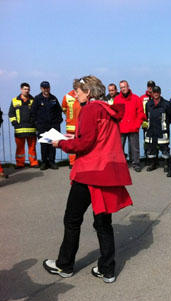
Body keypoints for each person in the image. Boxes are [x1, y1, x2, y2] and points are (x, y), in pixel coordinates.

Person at [43, 75, 132, 283]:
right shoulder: (108, 109)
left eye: (78, 91)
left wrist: (60, 144)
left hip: (90, 171)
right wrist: (75, 140)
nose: (75, 94)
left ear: (88, 92)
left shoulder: (90, 109)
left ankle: (65, 265)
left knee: (72, 219)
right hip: (107, 172)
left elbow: (85, 144)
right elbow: (96, 139)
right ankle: (107, 270)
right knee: (103, 223)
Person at [114, 80, 146, 172]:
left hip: (133, 126)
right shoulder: (117, 99)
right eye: (121, 87)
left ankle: (136, 164)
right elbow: (115, 113)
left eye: (124, 87)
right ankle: (119, 164)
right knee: (119, 148)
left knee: (135, 148)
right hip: (121, 127)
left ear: (128, 87)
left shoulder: (136, 98)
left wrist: (137, 125)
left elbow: (140, 113)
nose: (123, 89)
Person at [30, 81, 63, 170]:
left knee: (53, 145)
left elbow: (59, 111)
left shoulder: (53, 98)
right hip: (42, 126)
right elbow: (33, 113)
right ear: (41, 88)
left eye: (47, 87)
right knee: (44, 145)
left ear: (49, 88)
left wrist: (58, 122)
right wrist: (36, 124)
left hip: (53, 126)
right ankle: (44, 162)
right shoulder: (37, 99)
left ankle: (52, 162)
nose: (46, 89)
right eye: (44, 88)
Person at [8, 83, 38, 168]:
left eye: (28, 89)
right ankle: (20, 164)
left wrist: (34, 123)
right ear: (21, 89)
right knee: (20, 148)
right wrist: (15, 124)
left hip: (31, 129)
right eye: (25, 89)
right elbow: (11, 113)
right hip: (19, 129)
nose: (27, 91)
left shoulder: (33, 100)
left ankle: (34, 163)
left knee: (32, 147)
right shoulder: (14, 100)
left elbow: (36, 113)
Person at [144, 86, 171, 172]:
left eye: (157, 92)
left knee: (164, 148)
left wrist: (165, 124)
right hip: (151, 130)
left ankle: (166, 164)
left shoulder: (166, 104)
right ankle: (153, 164)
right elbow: (146, 116)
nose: (156, 94)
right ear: (152, 93)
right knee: (151, 148)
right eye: (154, 92)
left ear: (160, 93)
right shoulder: (148, 104)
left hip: (162, 130)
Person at [61, 82, 82, 168]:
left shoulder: (82, 94)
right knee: (71, 143)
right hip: (71, 125)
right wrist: (70, 117)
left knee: (81, 143)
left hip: (81, 124)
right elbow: (64, 109)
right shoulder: (67, 96)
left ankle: (79, 161)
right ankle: (72, 162)